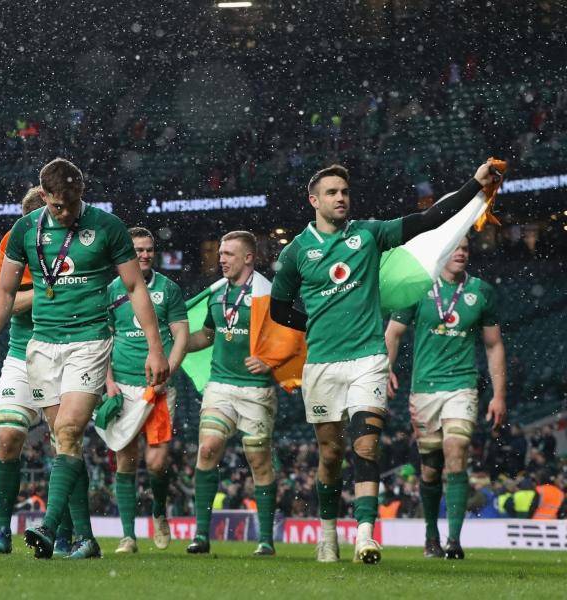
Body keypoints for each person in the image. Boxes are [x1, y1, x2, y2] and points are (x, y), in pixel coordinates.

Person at [270, 161, 501, 564]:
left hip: (368, 358)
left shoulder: (369, 233)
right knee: (329, 454)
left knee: (366, 444)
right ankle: (328, 533)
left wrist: (475, 186)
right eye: (332, 192)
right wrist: (317, 323)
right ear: (313, 201)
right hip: (322, 362)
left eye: (345, 191)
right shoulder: (295, 253)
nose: (341, 197)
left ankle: (365, 534)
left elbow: (430, 219)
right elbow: (278, 309)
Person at [0, 158, 169, 560]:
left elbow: (135, 287)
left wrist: (155, 347)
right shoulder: (25, 230)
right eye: (58, 206)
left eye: (72, 204)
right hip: (41, 346)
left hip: (89, 340)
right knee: (63, 442)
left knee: (67, 431)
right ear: (44, 196)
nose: (65, 213)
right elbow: (5, 291)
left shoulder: (106, 226)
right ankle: (85, 538)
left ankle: (49, 529)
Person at [386, 236, 507, 559]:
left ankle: (454, 540)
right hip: (424, 388)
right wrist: (386, 368)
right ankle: (431, 536)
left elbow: (493, 345)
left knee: (457, 449)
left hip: (462, 385)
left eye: (466, 247)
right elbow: (393, 333)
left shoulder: (481, 292)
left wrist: (498, 395)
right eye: (456, 247)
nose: (462, 252)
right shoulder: (416, 287)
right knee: (430, 467)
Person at [185, 231, 280, 556]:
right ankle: (200, 535)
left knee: (258, 460)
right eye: (220, 253)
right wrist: (175, 342)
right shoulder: (216, 293)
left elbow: (295, 335)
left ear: (248, 258)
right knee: (208, 447)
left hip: (256, 390)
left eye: (229, 253)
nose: (221, 258)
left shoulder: (268, 295)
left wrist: (271, 360)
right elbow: (208, 335)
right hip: (220, 385)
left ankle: (265, 539)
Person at [99, 226, 189, 554]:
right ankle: (128, 536)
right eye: (138, 250)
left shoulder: (169, 289)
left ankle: (159, 511)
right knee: (126, 460)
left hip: (159, 388)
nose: (145, 254)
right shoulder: (111, 290)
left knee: (156, 463)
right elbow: (104, 340)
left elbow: (180, 335)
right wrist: (108, 382)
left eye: (149, 249)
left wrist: (169, 370)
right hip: (122, 383)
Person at [0, 186, 48, 555]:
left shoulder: (74, 245)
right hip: (22, 355)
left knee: (66, 444)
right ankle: (2, 531)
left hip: (67, 354)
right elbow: (6, 301)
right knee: (8, 439)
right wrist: (51, 288)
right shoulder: (14, 242)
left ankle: (67, 530)